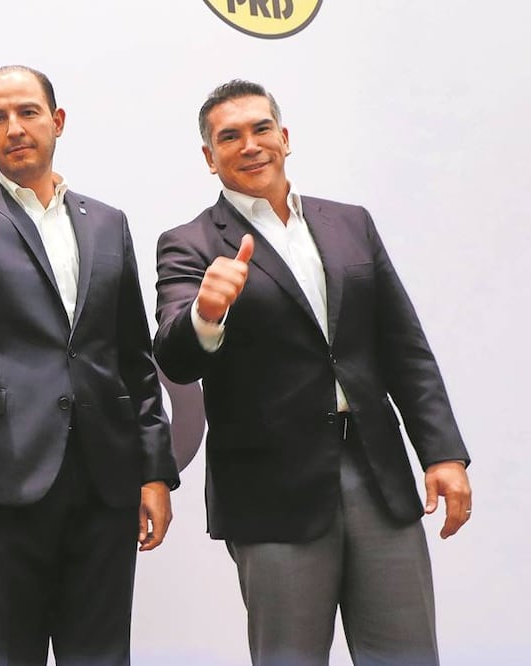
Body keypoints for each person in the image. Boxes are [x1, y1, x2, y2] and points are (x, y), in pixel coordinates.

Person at [153, 79, 472, 666]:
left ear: (284, 137)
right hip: (274, 495)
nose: (250, 145)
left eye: (261, 129)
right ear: (209, 156)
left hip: (379, 478)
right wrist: (206, 312)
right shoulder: (189, 244)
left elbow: (404, 348)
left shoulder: (351, 223)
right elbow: (175, 357)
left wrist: (443, 454)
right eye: (230, 136)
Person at [0, 65, 179, 666]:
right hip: (1, 477)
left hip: (104, 478)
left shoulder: (108, 222)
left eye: (27, 112)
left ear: (57, 121)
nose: (14, 128)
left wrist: (153, 470)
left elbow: (133, 357)